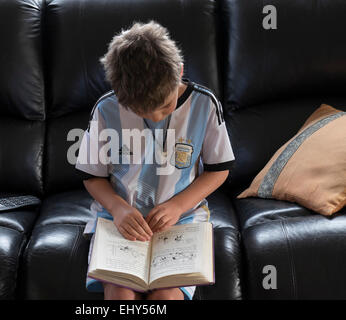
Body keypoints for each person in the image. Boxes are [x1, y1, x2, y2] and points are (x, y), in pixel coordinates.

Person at [75, 20, 235, 300]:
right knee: (119, 292)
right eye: (143, 112)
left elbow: (218, 170)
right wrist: (118, 208)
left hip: (182, 219)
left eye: (165, 106)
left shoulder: (205, 105)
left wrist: (178, 205)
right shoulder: (105, 109)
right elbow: (93, 176)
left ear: (180, 72)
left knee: (167, 296)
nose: (157, 117)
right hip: (119, 219)